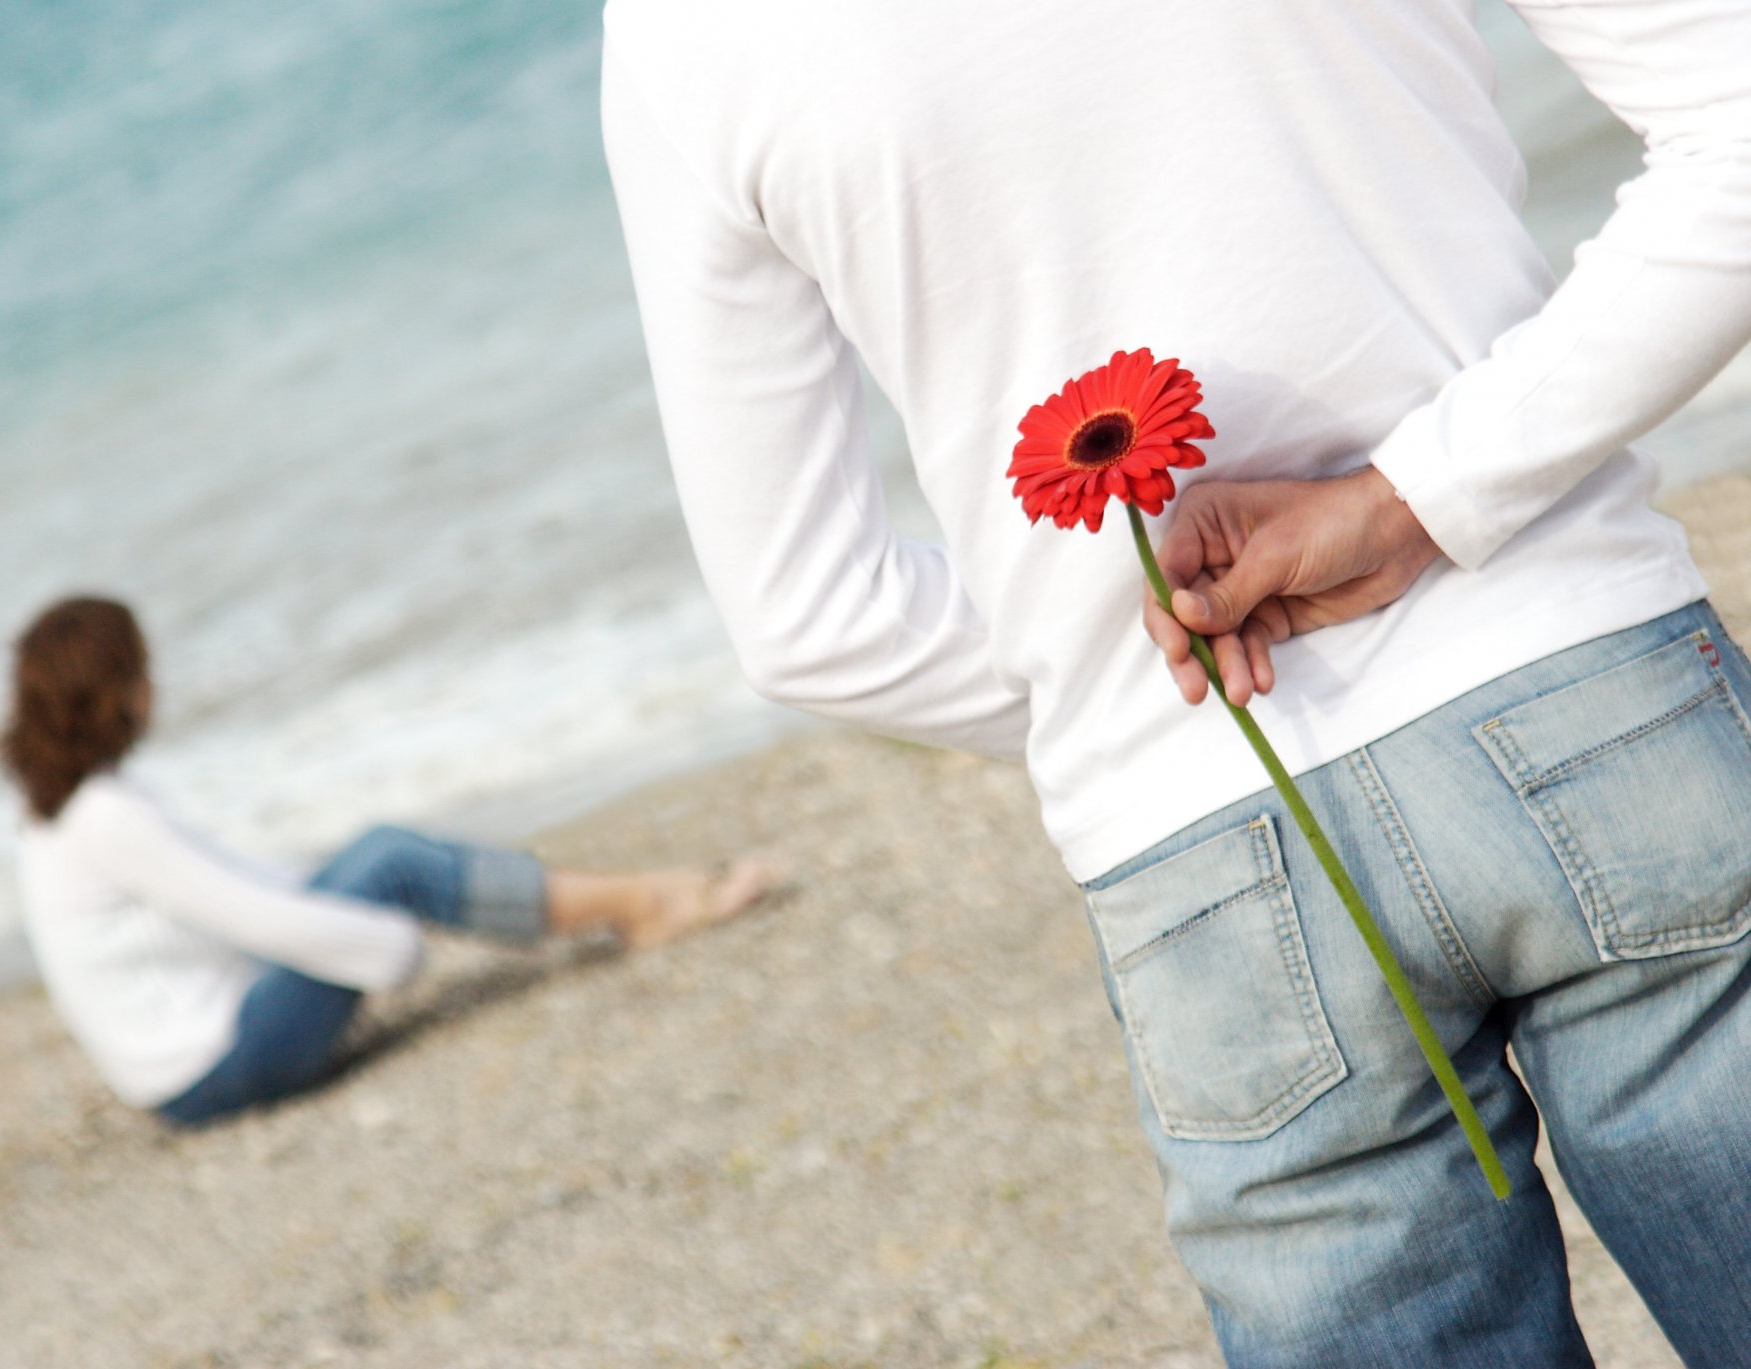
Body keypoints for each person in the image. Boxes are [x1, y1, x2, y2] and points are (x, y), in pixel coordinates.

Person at [601, 0, 1751, 1363]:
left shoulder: (678, 34)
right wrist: (1418, 498)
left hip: (1200, 871)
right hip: (1581, 685)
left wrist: (1147, 681)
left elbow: (807, 617)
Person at [0, 596, 771, 1127]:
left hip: (181, 1069)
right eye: (141, 670)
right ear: (114, 695)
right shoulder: (106, 817)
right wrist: (387, 945)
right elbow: (252, 914)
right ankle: (639, 905)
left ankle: (628, 900)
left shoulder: (61, 812)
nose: (155, 684)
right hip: (208, 1071)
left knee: (378, 859)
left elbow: (239, 889)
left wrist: (352, 906)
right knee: (391, 862)